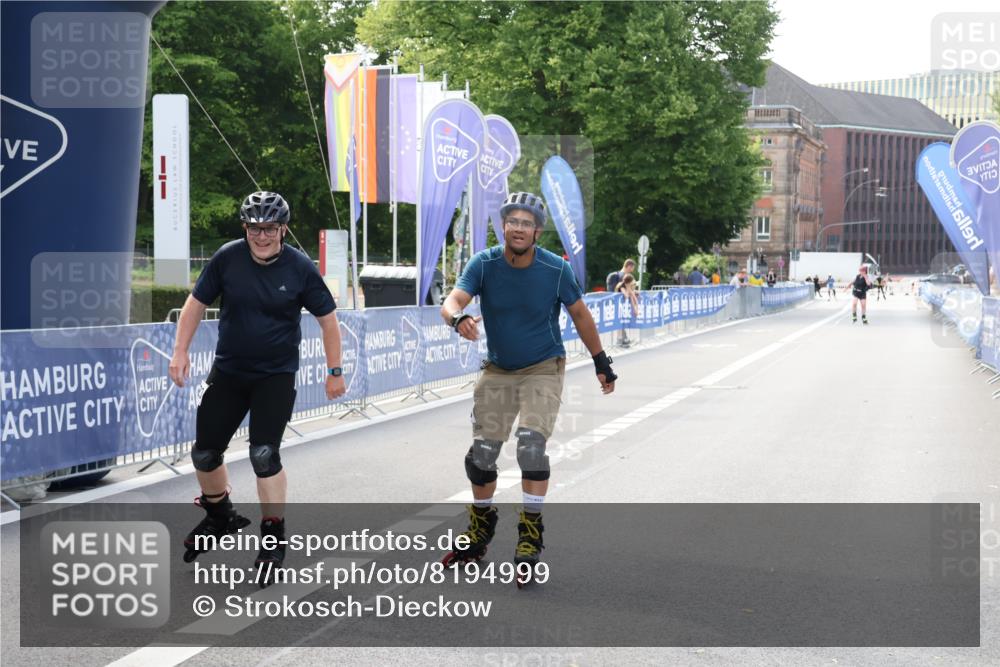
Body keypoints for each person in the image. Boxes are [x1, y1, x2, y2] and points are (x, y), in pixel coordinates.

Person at [169, 191, 347, 584]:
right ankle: (220, 515)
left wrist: (335, 370)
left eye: (269, 228)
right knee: (204, 453)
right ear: (245, 228)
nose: (261, 236)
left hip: (275, 376)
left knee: (264, 454)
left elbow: (328, 320)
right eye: (254, 228)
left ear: (283, 229)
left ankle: (273, 536)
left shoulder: (299, 267)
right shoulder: (227, 258)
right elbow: (194, 304)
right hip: (230, 372)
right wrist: (180, 351)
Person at [440, 191, 617, 576]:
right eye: (512, 222)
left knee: (531, 447)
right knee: (482, 455)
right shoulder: (484, 264)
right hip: (499, 369)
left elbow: (580, 315)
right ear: (503, 227)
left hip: (543, 366)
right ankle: (480, 525)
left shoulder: (555, 269)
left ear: (537, 231)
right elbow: (451, 301)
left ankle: (530, 532)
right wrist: (458, 319)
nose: (518, 229)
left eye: (526, 223)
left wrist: (601, 361)